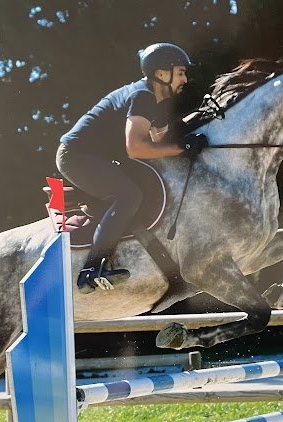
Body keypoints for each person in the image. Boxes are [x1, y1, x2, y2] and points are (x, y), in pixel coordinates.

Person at [56, 42, 208, 293]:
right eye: (181, 72)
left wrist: (190, 131)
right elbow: (136, 148)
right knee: (129, 195)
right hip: (76, 157)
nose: (185, 79)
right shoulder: (143, 97)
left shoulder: (156, 101)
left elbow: (160, 140)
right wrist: (181, 148)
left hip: (96, 157)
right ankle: (91, 270)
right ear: (162, 73)